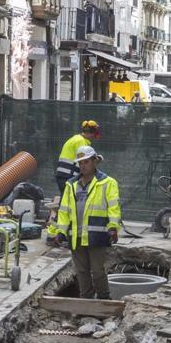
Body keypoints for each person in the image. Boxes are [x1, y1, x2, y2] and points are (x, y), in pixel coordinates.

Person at [47, 145, 123, 300]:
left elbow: (113, 208)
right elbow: (64, 211)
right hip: (76, 235)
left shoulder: (107, 183)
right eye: (80, 163)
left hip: (97, 234)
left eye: (86, 162)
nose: (83, 165)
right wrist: (60, 232)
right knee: (81, 270)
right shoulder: (71, 184)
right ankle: (85, 300)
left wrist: (113, 227)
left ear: (95, 161)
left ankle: (104, 299)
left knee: (97, 270)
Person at [54, 120, 101, 194]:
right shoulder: (81, 141)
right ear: (90, 133)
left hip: (63, 175)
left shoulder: (76, 138)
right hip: (68, 176)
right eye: (94, 134)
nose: (94, 137)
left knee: (66, 200)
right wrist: (97, 159)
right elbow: (85, 160)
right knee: (70, 200)